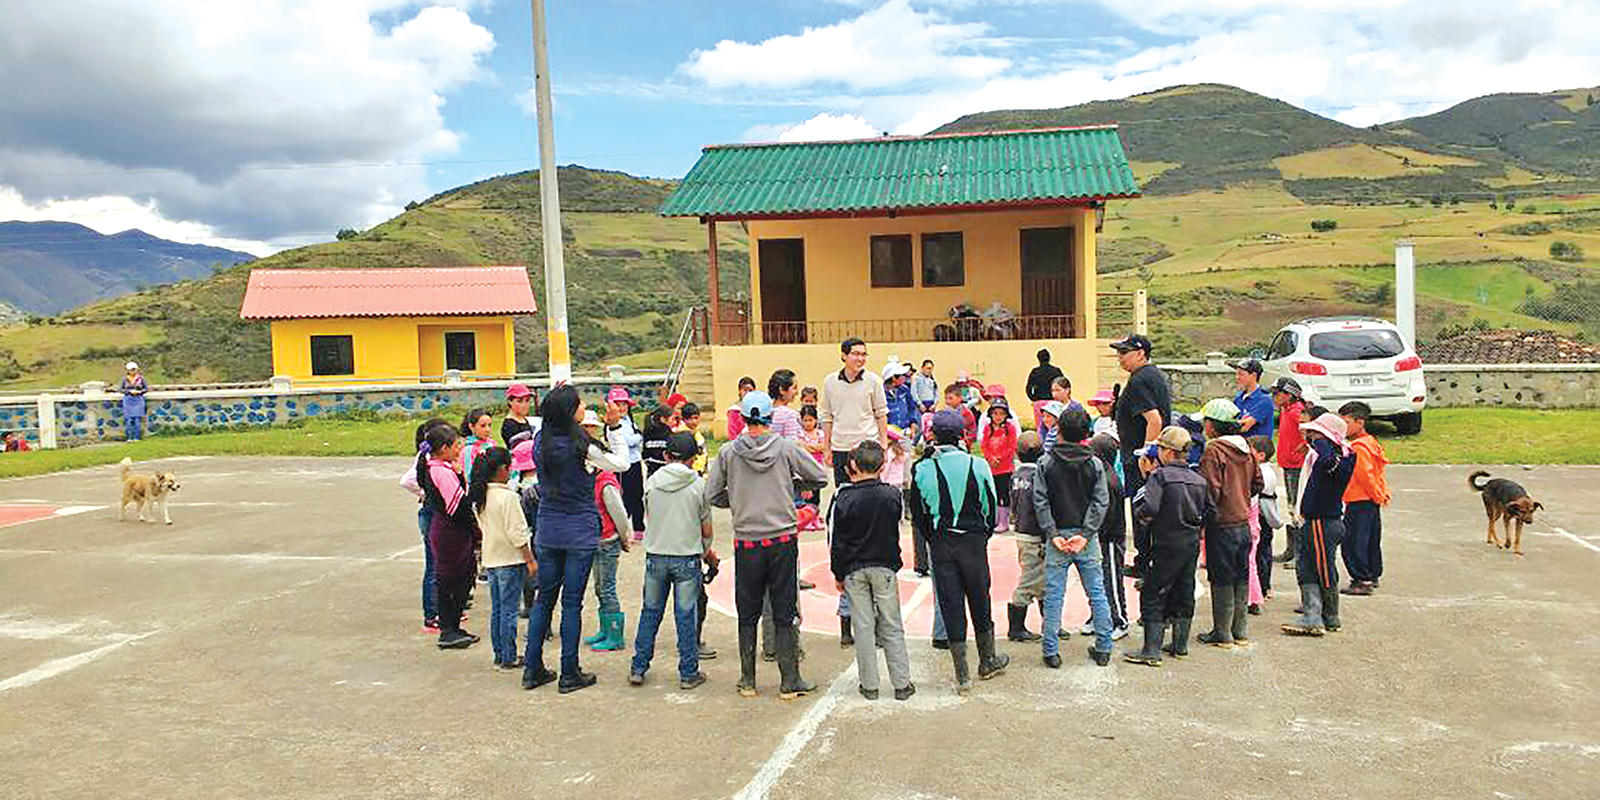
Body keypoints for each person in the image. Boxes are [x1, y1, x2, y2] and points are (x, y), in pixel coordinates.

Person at [706, 391, 830, 700]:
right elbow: (819, 476)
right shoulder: (786, 448)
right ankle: (790, 680)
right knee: (784, 608)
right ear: (770, 419)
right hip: (782, 539)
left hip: (747, 539)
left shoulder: (728, 452)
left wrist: (735, 499)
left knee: (748, 610)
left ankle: (748, 680)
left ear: (745, 419)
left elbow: (712, 494)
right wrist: (791, 486)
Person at [520, 385, 631, 694]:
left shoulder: (540, 439)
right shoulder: (581, 444)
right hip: (579, 529)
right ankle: (569, 672)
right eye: (580, 404)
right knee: (572, 603)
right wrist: (615, 427)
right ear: (570, 412)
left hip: (548, 526)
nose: (584, 408)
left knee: (544, 599)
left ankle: (533, 668)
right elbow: (622, 463)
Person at [910, 410, 1008, 696]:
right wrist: (981, 535)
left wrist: (935, 539)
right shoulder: (978, 465)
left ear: (934, 436)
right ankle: (987, 659)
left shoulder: (922, 468)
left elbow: (919, 515)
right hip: (973, 542)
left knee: (950, 601)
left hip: (941, 541)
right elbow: (989, 508)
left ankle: (962, 674)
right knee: (980, 597)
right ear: (963, 435)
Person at [830, 440, 916, 702]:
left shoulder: (843, 497)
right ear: (882, 465)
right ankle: (902, 684)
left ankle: (869, 685)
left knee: (863, 626)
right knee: (892, 625)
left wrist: (838, 573)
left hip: (855, 569)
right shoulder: (892, 495)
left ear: (853, 465)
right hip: (884, 566)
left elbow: (838, 541)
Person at [629, 431, 715, 690]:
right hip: (687, 557)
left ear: (666, 455)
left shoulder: (653, 482)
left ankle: (638, 666)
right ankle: (688, 672)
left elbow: (649, 515)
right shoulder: (699, 485)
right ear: (694, 459)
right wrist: (706, 553)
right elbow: (706, 530)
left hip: (656, 554)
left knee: (650, 611)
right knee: (686, 614)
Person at [1032, 408, 1115, 668]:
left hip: (1057, 536)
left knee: (1054, 595)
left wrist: (1052, 533)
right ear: (1086, 434)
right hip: (1085, 537)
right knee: (1097, 593)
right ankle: (1104, 647)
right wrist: (1086, 534)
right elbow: (1100, 501)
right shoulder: (1095, 463)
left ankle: (1051, 651)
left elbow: (1040, 500)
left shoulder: (1045, 463)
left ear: (1059, 430)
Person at [1123, 427, 1207, 666]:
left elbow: (1149, 508)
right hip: (1190, 543)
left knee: (1153, 593)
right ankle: (1180, 646)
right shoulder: (1198, 479)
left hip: (1166, 541)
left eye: (1160, 448)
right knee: (1184, 590)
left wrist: (1142, 517)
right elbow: (1209, 511)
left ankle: (1151, 650)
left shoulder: (1160, 477)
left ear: (1168, 452)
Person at [1194, 399, 1263, 649]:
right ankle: (1239, 630)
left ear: (1213, 425)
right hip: (1242, 523)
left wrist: (1205, 517)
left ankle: (1222, 632)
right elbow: (1258, 484)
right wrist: (1241, 498)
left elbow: (1209, 489)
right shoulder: (1247, 449)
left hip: (1221, 525)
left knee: (1221, 577)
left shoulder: (1214, 451)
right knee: (1240, 575)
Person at [1281, 412, 1356, 637]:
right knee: (1306, 567)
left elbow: (1326, 461)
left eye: (1316, 434)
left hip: (1324, 521)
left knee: (1323, 569)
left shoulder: (1340, 458)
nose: (1312, 438)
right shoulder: (1322, 455)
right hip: (1311, 520)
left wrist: (1322, 441)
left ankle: (1327, 616)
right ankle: (1313, 614)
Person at [470, 446, 538, 669]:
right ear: (501, 470)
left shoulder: (482, 496)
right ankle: (509, 656)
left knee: (498, 609)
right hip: (510, 560)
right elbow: (518, 534)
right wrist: (529, 559)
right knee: (509, 610)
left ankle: (500, 653)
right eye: (509, 467)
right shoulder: (508, 497)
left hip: (491, 559)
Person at [1110, 334, 1172, 580]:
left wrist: (1146, 453)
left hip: (1141, 459)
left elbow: (1154, 420)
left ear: (1140, 353)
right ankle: (1147, 559)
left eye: (1124, 353)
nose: (1120, 359)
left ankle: (1144, 562)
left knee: (1141, 510)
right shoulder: (1151, 375)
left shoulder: (1140, 380)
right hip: (1146, 456)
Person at [414, 423, 479, 650]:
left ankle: (453, 626)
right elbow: (458, 507)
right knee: (452, 581)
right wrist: (475, 529)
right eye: (455, 444)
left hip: (447, 530)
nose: (459, 448)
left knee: (459, 578)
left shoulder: (440, 467)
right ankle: (448, 630)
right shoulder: (440, 471)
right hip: (450, 533)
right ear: (443, 448)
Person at [580, 410, 633, 652]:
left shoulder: (606, 482)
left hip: (608, 541)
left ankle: (615, 635)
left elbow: (620, 515)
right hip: (594, 539)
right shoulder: (589, 480)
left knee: (607, 587)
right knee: (600, 587)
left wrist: (624, 538)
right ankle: (605, 628)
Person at [400, 418, 453, 632]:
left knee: (443, 564)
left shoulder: (434, 460)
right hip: (431, 515)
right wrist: (426, 494)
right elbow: (406, 481)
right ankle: (432, 615)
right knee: (434, 566)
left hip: (434, 513)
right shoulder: (427, 460)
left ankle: (443, 609)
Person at [821, 337, 889, 486]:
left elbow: (881, 414)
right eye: (856, 354)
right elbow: (827, 417)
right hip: (840, 447)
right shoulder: (830, 382)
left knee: (870, 494)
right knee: (843, 492)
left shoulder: (874, 381)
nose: (860, 358)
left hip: (867, 447)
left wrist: (883, 446)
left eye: (864, 354)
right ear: (844, 356)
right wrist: (827, 448)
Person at [1338, 402, 1390, 596]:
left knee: (1353, 542)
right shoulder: (1370, 442)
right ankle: (1372, 574)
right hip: (1369, 499)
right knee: (1370, 539)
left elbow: (1365, 475)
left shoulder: (1359, 447)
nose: (1344, 427)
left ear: (1360, 422)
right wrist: (1380, 493)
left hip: (1360, 499)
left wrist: (1377, 494)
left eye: (1347, 422)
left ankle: (1362, 578)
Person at [1086, 432, 1130, 640]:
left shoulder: (1109, 480)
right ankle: (1098, 616)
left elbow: (1109, 516)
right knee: (1096, 580)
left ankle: (1120, 620)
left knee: (1111, 579)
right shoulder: (1099, 474)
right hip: (1098, 537)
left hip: (1110, 539)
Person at [1006, 431, 1046, 642]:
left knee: (1043, 580)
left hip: (1022, 531)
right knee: (1030, 581)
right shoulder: (1039, 476)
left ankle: (1050, 624)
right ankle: (1016, 627)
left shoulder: (1017, 475)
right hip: (1034, 535)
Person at [1270, 378, 1307, 564]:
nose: (1273, 397)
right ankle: (1291, 550)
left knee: (1298, 507)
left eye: (1277, 394)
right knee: (1292, 506)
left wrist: (1303, 446)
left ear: (1289, 395)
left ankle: (1300, 555)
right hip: (1288, 464)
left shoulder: (1296, 412)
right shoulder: (1286, 410)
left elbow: (1306, 433)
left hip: (1297, 465)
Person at [607, 387, 648, 540]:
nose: (622, 408)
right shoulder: (613, 424)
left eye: (624, 404)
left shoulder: (629, 421)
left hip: (635, 461)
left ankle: (639, 528)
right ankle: (621, 528)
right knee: (625, 497)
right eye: (618, 404)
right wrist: (639, 437)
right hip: (623, 464)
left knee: (638, 495)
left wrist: (637, 437)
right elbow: (628, 441)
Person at [1246, 436, 1281, 614]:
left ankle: (1260, 589)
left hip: (1260, 517)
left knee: (1259, 555)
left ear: (1260, 455)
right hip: (1262, 517)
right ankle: (1263, 587)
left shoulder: (1262, 472)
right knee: (1262, 553)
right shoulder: (1265, 469)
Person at [980, 399, 1019, 533]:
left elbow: (1012, 446)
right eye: (995, 413)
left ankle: (1004, 521)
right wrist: (990, 458)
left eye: (1001, 414)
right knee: (993, 493)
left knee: (1004, 494)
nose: (998, 417)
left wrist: (1000, 458)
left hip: (1005, 468)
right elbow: (984, 445)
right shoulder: (988, 428)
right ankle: (995, 519)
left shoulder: (1010, 429)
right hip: (991, 468)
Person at [1229, 358, 1274, 438]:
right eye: (1236, 374)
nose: (1237, 377)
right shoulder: (1239, 397)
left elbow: (1244, 427)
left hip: (1256, 448)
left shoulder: (1264, 400)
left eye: (1241, 374)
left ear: (1254, 375)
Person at [1025, 348, 1064, 429]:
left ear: (1038, 359)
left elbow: (1028, 388)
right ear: (1049, 358)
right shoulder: (1056, 371)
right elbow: (1063, 384)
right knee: (1056, 427)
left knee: (1040, 428)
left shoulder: (1035, 372)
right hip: (1054, 401)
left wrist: (1034, 399)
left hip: (1040, 402)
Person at [882, 361, 920, 440]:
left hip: (905, 432)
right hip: (887, 435)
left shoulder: (904, 390)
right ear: (893, 378)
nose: (905, 378)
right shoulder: (880, 393)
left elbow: (912, 408)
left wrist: (913, 423)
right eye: (903, 375)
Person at [459, 408, 495, 479]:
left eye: (489, 425)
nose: (487, 430)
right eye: (483, 426)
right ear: (471, 426)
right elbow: (468, 476)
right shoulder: (468, 449)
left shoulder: (491, 443)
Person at [768, 369, 803, 441]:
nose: (797, 392)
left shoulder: (765, 410)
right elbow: (792, 445)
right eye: (794, 388)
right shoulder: (789, 415)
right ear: (782, 390)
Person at [641, 405, 676, 476]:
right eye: (672, 419)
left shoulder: (647, 431)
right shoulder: (668, 433)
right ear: (663, 419)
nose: (674, 422)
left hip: (650, 470)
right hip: (665, 470)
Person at [119, 361, 148, 441]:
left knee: (137, 419)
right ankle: (129, 437)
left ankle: (136, 437)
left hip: (138, 399)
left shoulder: (141, 379)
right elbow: (121, 389)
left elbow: (146, 389)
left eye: (134, 369)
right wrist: (129, 392)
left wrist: (140, 392)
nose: (133, 371)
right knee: (128, 419)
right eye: (131, 369)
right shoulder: (124, 379)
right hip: (128, 399)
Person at [680, 403, 708, 474]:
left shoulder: (697, 434)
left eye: (696, 418)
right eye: (689, 419)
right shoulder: (682, 435)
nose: (694, 422)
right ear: (683, 419)